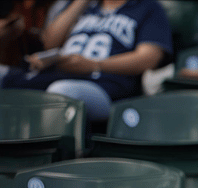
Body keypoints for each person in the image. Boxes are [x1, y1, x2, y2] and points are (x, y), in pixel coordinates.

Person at [0, 0, 171, 123]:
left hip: (104, 84)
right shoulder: (83, 7)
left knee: (61, 92)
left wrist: (93, 65)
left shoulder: (148, 7)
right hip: (54, 74)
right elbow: (49, 42)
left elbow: (149, 58)